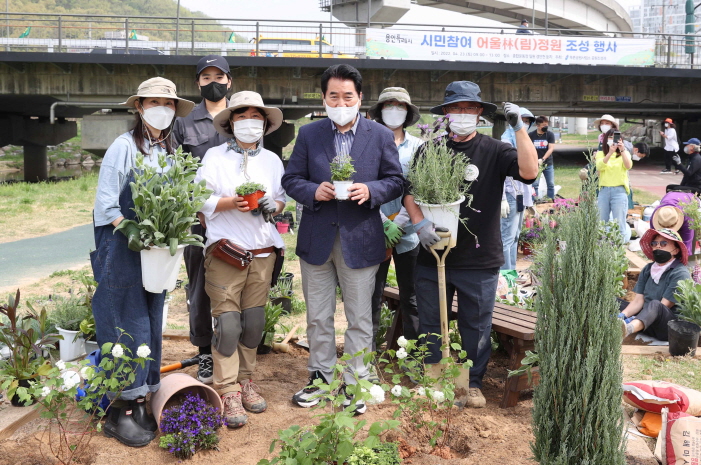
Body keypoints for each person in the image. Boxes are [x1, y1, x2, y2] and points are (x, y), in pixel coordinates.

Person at [403, 81, 538, 408]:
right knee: (432, 321)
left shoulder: (495, 150)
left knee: (475, 325)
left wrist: (518, 128)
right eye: (455, 109)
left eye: (469, 108)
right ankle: (435, 381)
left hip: (479, 259)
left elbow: (530, 171)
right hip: (432, 254)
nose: (462, 114)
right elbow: (409, 193)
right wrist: (419, 223)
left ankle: (471, 384)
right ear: (446, 113)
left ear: (479, 113)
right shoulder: (429, 148)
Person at [282, 64, 404, 413]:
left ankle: (356, 381)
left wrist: (371, 189)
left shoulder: (379, 135)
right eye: (333, 95)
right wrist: (311, 190)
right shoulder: (309, 134)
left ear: (360, 97)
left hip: (361, 238)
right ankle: (319, 378)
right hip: (317, 239)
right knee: (318, 316)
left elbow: (395, 180)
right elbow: (291, 179)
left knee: (360, 317)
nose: (340, 101)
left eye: (347, 95)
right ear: (324, 98)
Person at [91, 77, 195, 447]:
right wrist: (128, 225)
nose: (162, 109)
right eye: (154, 102)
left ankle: (145, 395)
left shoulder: (166, 151)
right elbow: (106, 203)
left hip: (152, 251)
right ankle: (122, 408)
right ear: (140, 107)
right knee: (124, 317)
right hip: (120, 246)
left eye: (168, 104)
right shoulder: (123, 147)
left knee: (151, 317)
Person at [195, 91, 286, 428]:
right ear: (231, 122)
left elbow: (280, 201)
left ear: (265, 122)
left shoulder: (273, 161)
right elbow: (199, 198)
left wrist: (272, 207)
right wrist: (229, 203)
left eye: (256, 116)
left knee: (253, 324)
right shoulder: (214, 157)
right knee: (229, 325)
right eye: (242, 116)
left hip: (262, 253)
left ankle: (246, 380)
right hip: (226, 252)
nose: (250, 122)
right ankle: (228, 388)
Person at [173, 55, 232, 385]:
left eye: (218, 76)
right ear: (198, 83)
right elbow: (179, 173)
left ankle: (230, 347)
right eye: (205, 76)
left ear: (229, 81)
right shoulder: (184, 123)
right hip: (199, 223)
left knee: (234, 284)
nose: (213, 82)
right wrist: (200, 211)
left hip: (237, 219)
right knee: (200, 287)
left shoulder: (240, 119)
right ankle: (205, 353)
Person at [367, 87, 423, 352]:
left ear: (407, 111)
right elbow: (363, 184)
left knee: (411, 295)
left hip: (410, 230)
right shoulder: (367, 144)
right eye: (388, 104)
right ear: (380, 111)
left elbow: (420, 188)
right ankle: (370, 351)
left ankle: (413, 353)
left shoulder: (419, 148)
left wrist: (400, 220)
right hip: (374, 226)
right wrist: (381, 220)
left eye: (399, 105)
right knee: (372, 294)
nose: (394, 109)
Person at [620, 228, 690, 340]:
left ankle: (628, 329)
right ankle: (618, 323)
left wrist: (632, 320)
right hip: (645, 320)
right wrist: (621, 316)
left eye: (664, 243)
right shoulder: (648, 269)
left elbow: (663, 306)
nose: (658, 246)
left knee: (656, 304)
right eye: (654, 243)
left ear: (676, 250)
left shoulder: (680, 273)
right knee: (613, 302)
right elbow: (638, 301)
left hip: (665, 327)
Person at [500, 107, 536, 270]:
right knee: (506, 237)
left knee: (515, 236)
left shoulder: (523, 139)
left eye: (527, 121)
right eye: (522, 120)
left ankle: (512, 271)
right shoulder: (506, 141)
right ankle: (505, 275)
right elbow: (499, 172)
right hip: (510, 194)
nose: (525, 124)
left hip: (521, 194)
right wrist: (502, 199)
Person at [596, 129, 633, 243]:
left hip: (619, 190)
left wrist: (622, 150)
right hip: (604, 191)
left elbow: (628, 166)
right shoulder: (601, 153)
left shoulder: (624, 153)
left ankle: (618, 247)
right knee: (602, 222)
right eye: (610, 137)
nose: (613, 139)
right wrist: (610, 153)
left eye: (616, 137)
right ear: (606, 139)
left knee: (619, 222)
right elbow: (599, 167)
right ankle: (601, 247)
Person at [529, 115, 556, 201]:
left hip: (548, 163)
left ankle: (550, 200)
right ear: (537, 125)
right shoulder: (531, 135)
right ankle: (534, 201)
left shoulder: (550, 134)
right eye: (543, 125)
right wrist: (535, 160)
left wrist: (543, 159)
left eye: (546, 125)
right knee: (534, 184)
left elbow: (551, 148)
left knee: (550, 184)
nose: (546, 127)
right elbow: (528, 149)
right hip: (535, 164)